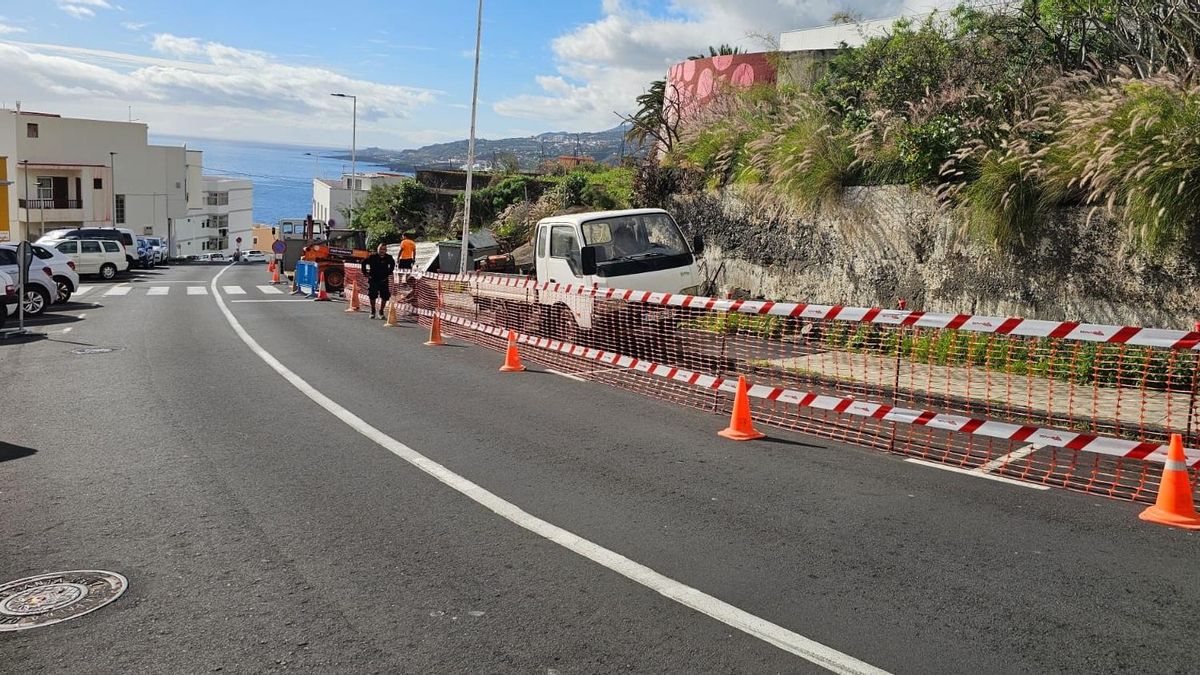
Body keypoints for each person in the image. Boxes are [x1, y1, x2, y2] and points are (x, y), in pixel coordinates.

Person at [361, 243, 396, 319]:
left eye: (384, 249)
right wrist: (365, 273)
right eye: (380, 249)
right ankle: (373, 310)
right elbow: (363, 262)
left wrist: (389, 272)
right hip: (373, 280)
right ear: (378, 249)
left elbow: (393, 264)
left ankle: (381, 311)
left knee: (385, 296)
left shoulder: (388, 257)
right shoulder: (372, 257)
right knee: (372, 295)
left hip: (384, 280)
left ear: (386, 250)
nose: (382, 251)